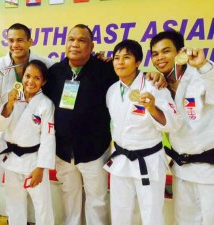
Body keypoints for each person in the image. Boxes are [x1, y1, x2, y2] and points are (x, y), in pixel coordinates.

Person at [44, 24, 166, 225]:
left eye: (82, 40)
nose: (75, 44)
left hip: (95, 151)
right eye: (71, 39)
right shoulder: (55, 72)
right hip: (63, 151)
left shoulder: (105, 70)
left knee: (97, 200)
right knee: (69, 197)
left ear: (92, 46)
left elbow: (131, 78)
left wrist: (154, 75)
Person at [0, 22, 55, 224]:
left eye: (20, 40)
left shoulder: (46, 64)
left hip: (32, 128)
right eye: (11, 40)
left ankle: (32, 219)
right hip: (5, 123)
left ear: (30, 41)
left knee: (37, 192)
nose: (15, 45)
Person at [103, 39, 182, 225]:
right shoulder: (112, 90)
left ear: (138, 62)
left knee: (152, 215)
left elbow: (174, 123)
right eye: (116, 58)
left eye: (127, 57)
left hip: (149, 160)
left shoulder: (154, 86)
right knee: (120, 213)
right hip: (121, 160)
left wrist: (153, 107)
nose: (120, 62)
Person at [150, 30, 214, 225]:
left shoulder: (201, 74)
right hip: (181, 169)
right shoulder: (158, 85)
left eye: (166, 51)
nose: (160, 57)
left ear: (180, 52)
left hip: (209, 169)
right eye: (155, 53)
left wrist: (203, 66)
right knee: (185, 221)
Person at [0, 59, 55, 225]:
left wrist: (41, 168)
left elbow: (48, 137)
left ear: (44, 81)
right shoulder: (10, 97)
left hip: (34, 161)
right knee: (14, 204)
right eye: (27, 76)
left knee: (42, 205)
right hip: (12, 160)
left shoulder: (46, 105)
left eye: (37, 78)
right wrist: (9, 105)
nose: (30, 81)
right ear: (22, 77)